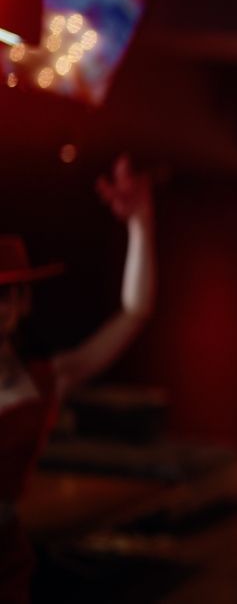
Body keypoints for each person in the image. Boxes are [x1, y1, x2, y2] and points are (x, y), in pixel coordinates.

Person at [0, 154, 155, 604]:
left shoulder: (50, 377)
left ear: (24, 302)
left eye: (11, 293)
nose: (2, 305)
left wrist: (141, 224)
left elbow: (134, 312)